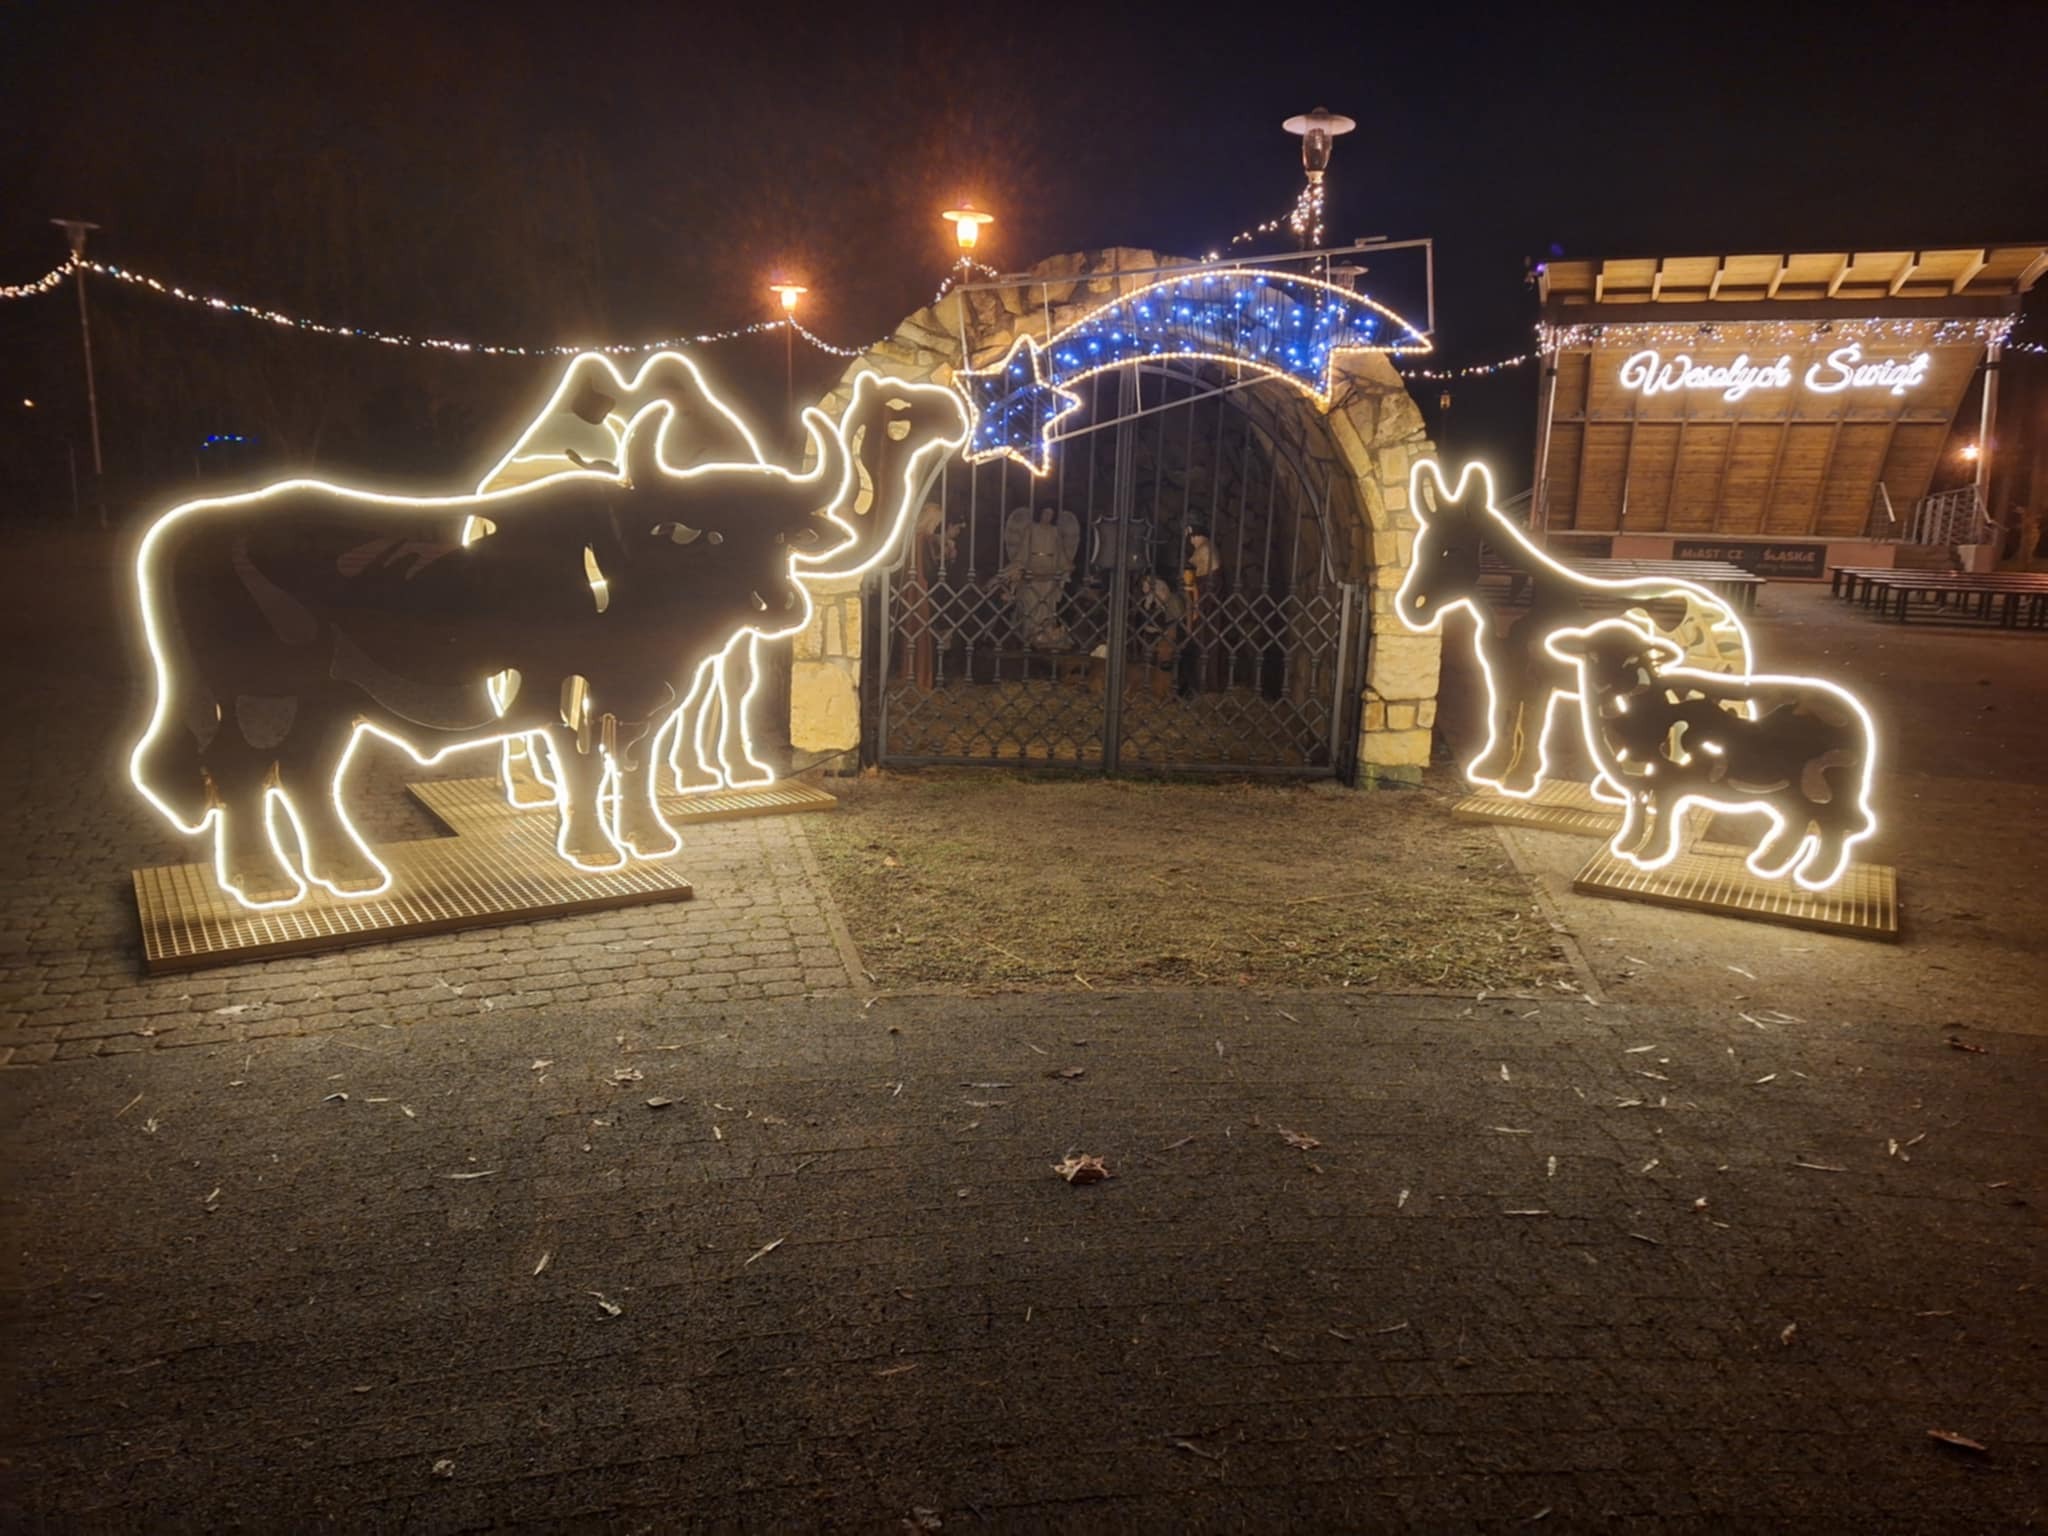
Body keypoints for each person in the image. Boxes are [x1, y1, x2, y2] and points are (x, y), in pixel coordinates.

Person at [1001, 504, 1079, 649]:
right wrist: (1019, 564)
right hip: (1033, 567)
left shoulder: (1055, 531)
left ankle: (1046, 633)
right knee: (1032, 602)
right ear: (1040, 513)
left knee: (1047, 604)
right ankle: (1031, 634)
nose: (1048, 517)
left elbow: (1060, 551)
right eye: (1045, 513)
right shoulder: (1031, 529)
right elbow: (1024, 548)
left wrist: (1065, 565)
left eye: (1051, 514)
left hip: (1050, 569)